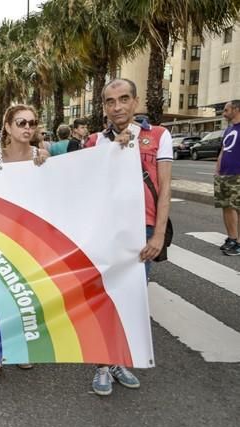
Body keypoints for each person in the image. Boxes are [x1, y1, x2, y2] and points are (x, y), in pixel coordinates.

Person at [84, 78, 172, 396]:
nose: (117, 106)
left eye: (123, 99)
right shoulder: (95, 141)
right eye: (110, 101)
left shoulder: (159, 136)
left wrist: (158, 235)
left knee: (131, 299)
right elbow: (81, 184)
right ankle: (103, 366)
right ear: (104, 106)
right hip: (107, 231)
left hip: (144, 232)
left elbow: (164, 191)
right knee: (105, 299)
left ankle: (118, 360)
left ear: (135, 102)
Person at [0, 104, 50, 381]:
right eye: (21, 123)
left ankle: (21, 350)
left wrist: (46, 170)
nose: (27, 128)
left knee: (24, 295)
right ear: (8, 127)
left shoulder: (43, 156)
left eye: (31, 123)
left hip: (30, 238)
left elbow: (52, 195)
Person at [216, 100, 240, 256]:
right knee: (226, 207)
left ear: (236, 109)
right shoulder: (228, 130)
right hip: (224, 174)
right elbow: (224, 150)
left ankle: (237, 243)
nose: (224, 113)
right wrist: (218, 169)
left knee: (236, 208)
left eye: (226, 110)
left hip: (237, 173)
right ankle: (232, 238)